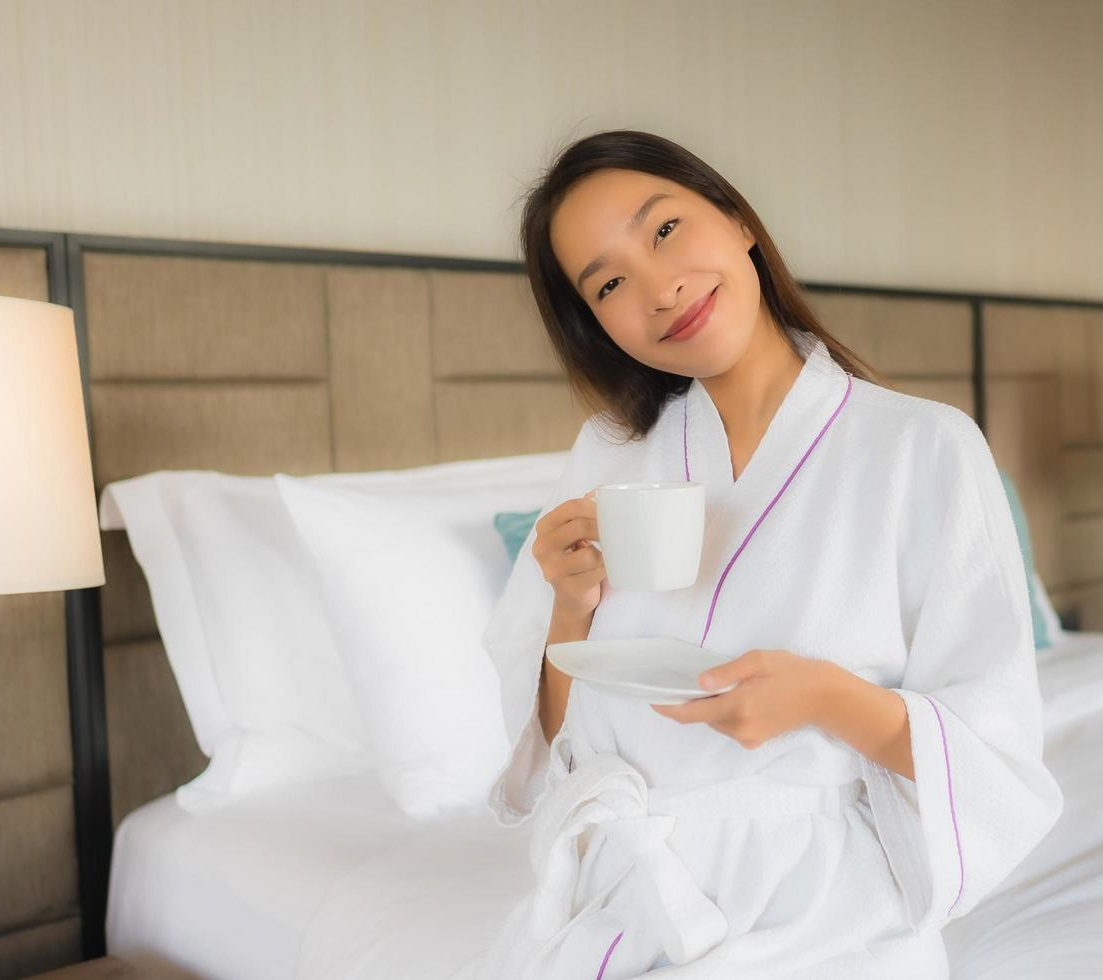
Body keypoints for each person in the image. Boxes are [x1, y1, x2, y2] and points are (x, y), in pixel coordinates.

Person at [453, 130, 1062, 979]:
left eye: (664, 230)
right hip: (622, 900)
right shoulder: (608, 453)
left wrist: (824, 697)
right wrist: (569, 603)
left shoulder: (923, 447)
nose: (660, 289)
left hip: (822, 911)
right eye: (611, 283)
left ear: (737, 218)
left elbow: (995, 754)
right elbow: (544, 745)